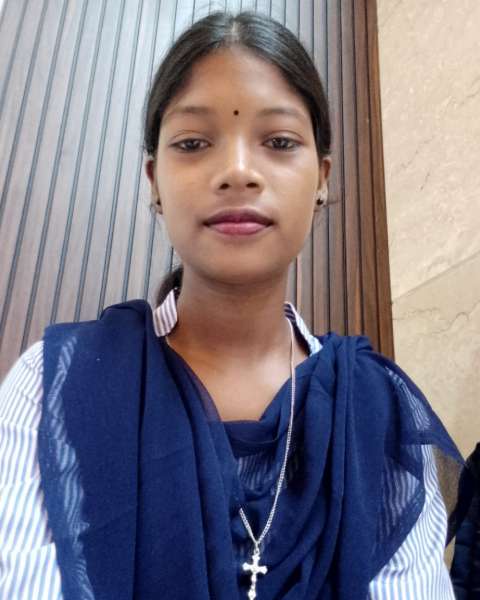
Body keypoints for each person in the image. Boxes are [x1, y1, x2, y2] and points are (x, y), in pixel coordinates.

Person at [0, 10, 469, 600]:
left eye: (279, 142)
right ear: (154, 181)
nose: (238, 172)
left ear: (321, 178)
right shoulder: (54, 386)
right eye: (194, 143)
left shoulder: (381, 413)